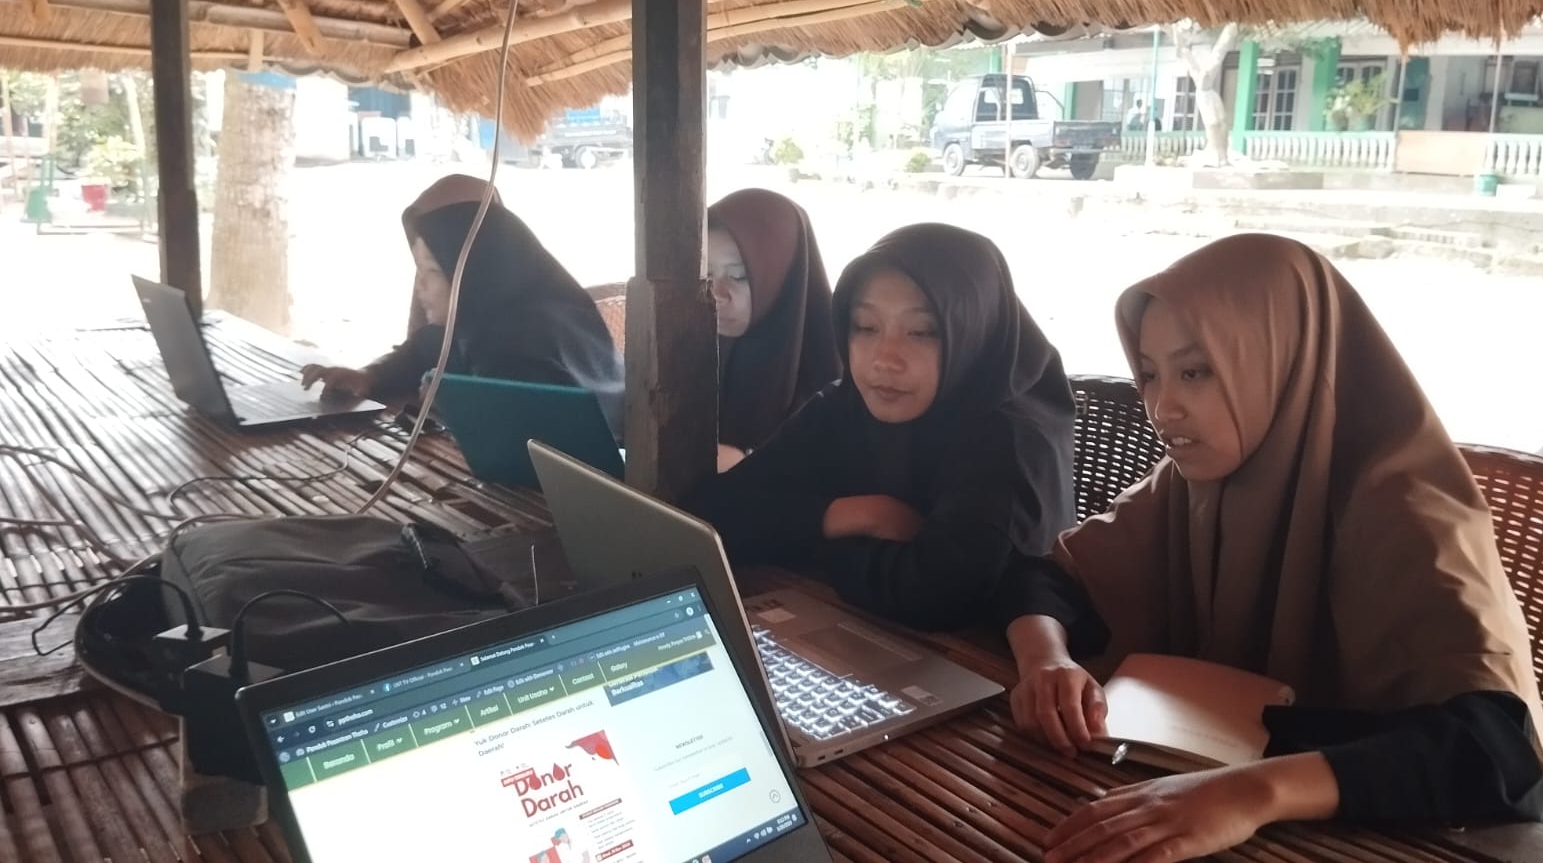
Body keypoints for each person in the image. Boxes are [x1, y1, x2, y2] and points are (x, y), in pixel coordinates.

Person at [1002, 234, 1543, 862]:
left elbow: (1492, 752)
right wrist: (1045, 660)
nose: (1163, 407)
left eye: (1195, 371)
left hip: (1406, 832)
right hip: (1211, 792)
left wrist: (1256, 792)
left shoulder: (1407, 509)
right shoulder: (1192, 482)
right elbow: (1052, 575)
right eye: (1150, 374)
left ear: (1282, 362)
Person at [685, 223, 1078, 631]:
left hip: (983, 659)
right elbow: (710, 515)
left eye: (922, 332)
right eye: (866, 327)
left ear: (975, 332)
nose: (885, 359)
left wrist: (804, 541)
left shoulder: (1010, 439)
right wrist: (853, 514)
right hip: (858, 634)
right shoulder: (846, 406)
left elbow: (931, 592)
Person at [300, 175, 624, 439]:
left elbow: (534, 442)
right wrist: (369, 375)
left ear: (471, 271)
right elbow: (424, 348)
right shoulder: (486, 317)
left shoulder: (524, 342)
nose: (419, 286)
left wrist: (460, 413)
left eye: (432, 271)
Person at [706, 188, 840, 472]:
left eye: (739, 276)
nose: (716, 294)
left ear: (784, 276)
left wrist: (746, 464)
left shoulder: (841, 372)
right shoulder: (698, 348)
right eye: (706, 274)